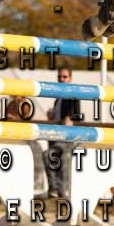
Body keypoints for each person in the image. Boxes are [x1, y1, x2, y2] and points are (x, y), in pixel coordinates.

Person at [44, 67, 81, 198]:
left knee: (54, 156)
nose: (62, 79)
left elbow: (74, 117)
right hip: (57, 136)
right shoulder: (58, 99)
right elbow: (59, 120)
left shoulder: (73, 96)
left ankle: (60, 189)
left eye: (65, 77)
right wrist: (52, 116)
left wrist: (70, 118)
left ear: (70, 79)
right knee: (49, 156)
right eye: (60, 77)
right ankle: (56, 189)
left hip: (67, 138)